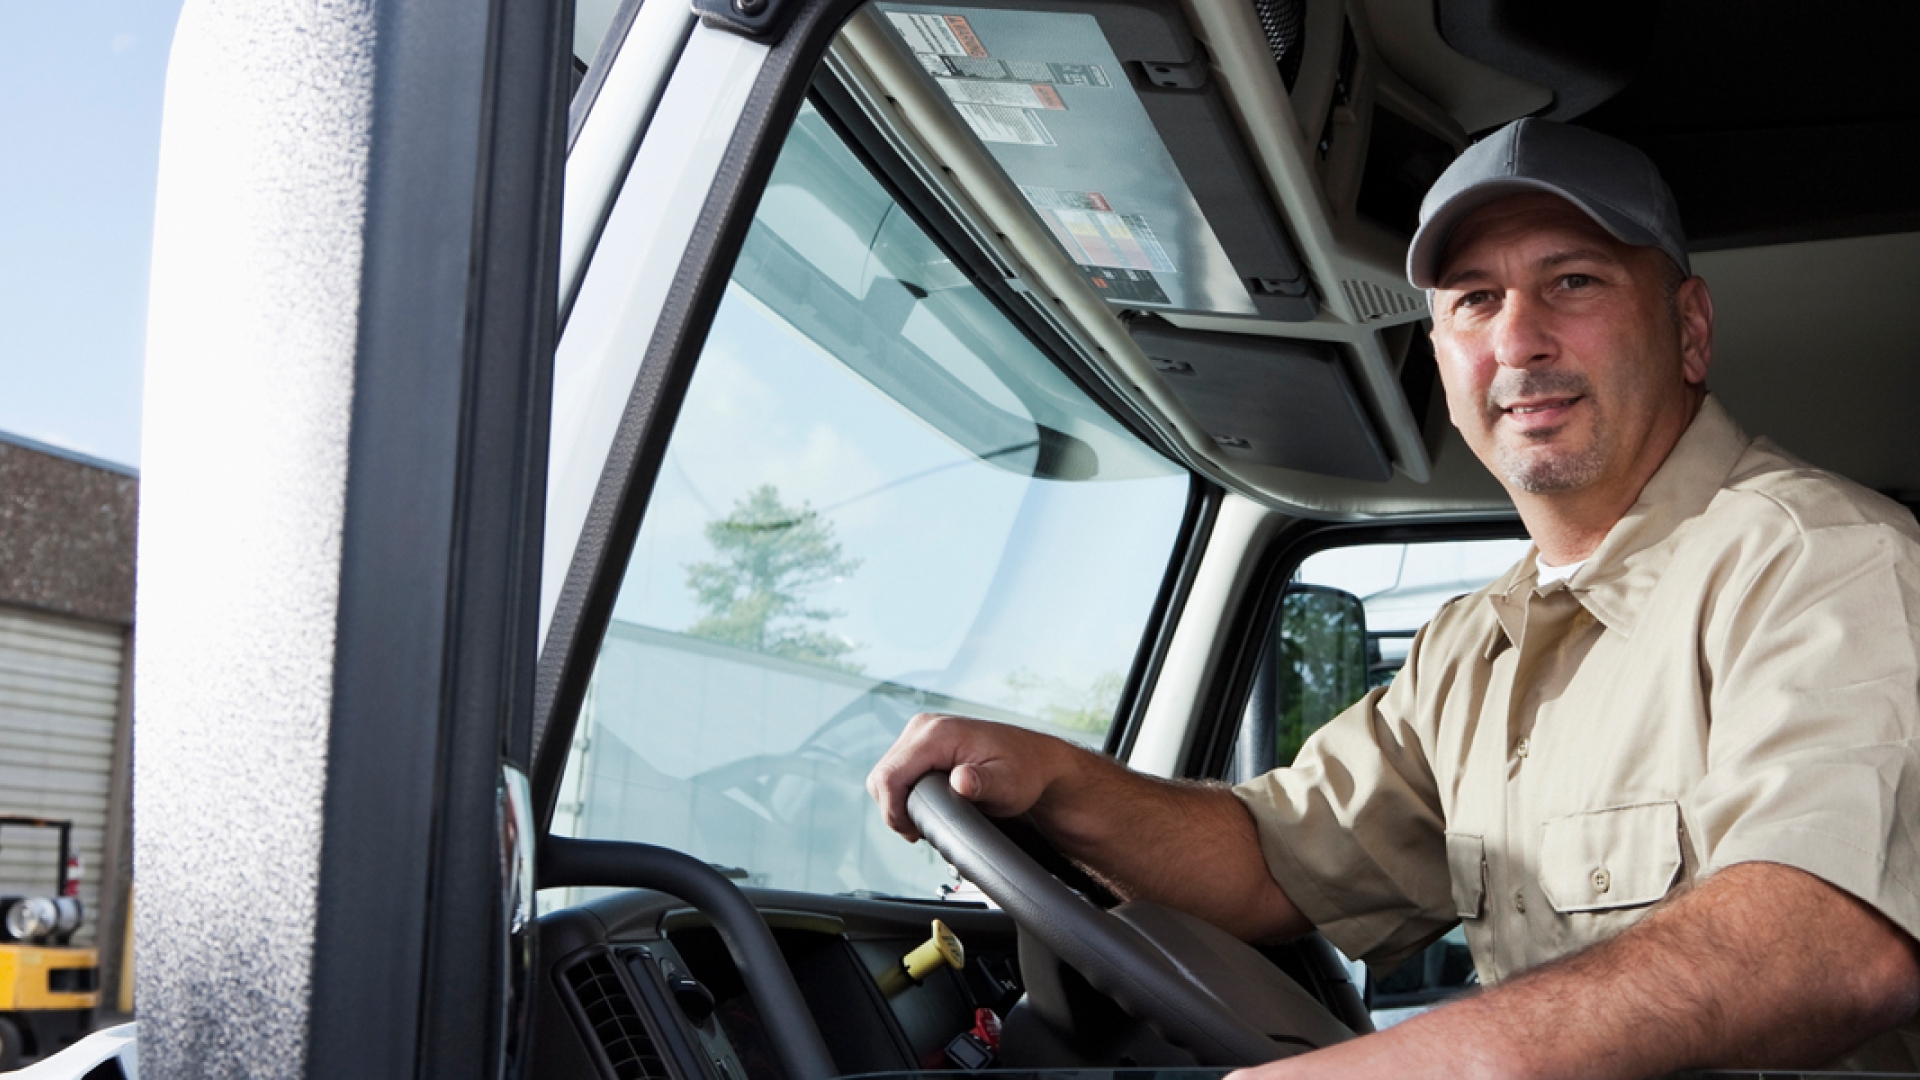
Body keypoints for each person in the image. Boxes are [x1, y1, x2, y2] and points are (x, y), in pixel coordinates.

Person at [867, 118, 1920, 1077]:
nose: (1518, 341)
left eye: (1575, 283)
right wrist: (1056, 784)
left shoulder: (1820, 560)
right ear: (1442, 357)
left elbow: (1828, 945)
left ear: (1689, 328)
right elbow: (1280, 864)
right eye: (1475, 300)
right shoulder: (1472, 647)